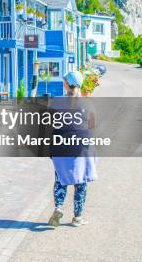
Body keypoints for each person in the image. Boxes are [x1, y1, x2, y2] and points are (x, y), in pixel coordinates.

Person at [48, 71, 98, 227]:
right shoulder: (87, 103)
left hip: (60, 145)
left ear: (65, 84)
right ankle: (77, 218)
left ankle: (58, 207)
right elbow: (92, 125)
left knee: (60, 179)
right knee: (81, 181)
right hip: (80, 146)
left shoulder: (55, 101)